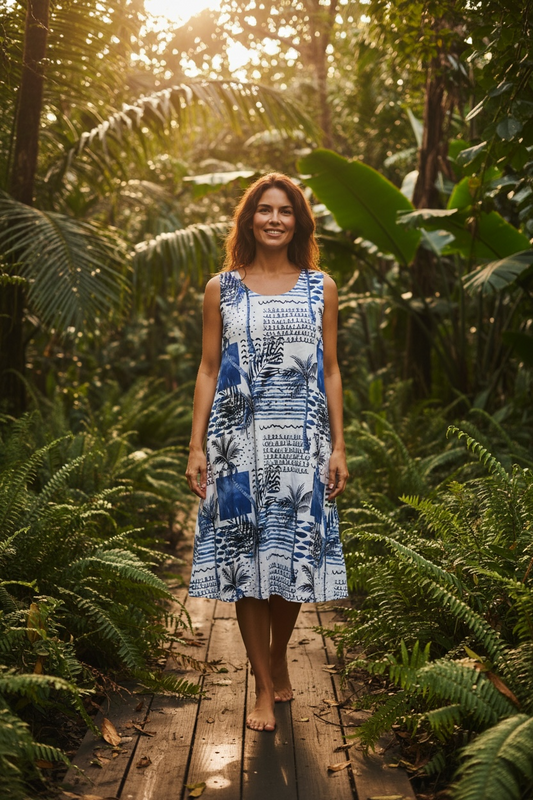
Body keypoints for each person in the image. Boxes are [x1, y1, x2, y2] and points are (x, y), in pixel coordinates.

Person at [185, 173, 349, 732]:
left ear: (298, 222)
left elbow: (329, 369)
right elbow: (208, 369)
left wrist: (339, 447)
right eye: (264, 210)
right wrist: (196, 446)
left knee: (290, 561)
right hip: (236, 443)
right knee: (242, 564)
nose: (275, 219)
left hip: (302, 442)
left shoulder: (319, 286)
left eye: (285, 211)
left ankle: (279, 654)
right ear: (249, 219)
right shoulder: (222, 288)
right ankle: (261, 682)